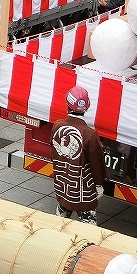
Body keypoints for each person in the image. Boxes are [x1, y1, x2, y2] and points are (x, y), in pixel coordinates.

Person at [49, 86, 109, 224]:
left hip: (63, 186)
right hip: (83, 193)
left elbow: (53, 154)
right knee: (88, 230)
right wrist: (99, 184)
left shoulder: (57, 126)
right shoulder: (89, 134)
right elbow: (96, 164)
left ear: (67, 105)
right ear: (87, 107)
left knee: (59, 225)